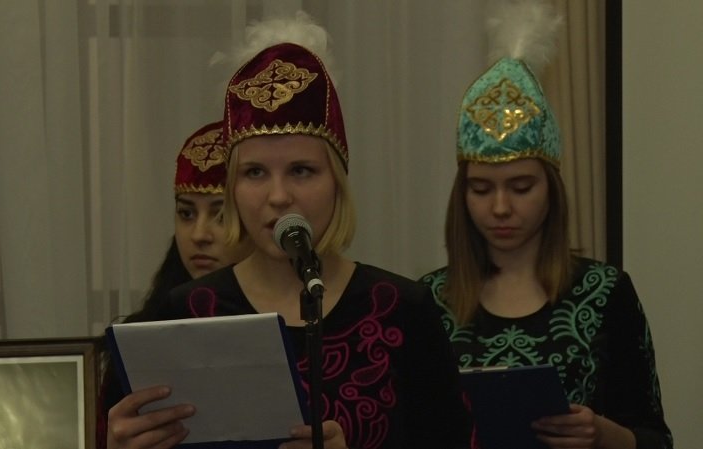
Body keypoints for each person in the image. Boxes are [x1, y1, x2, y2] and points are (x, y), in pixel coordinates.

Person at [104, 12, 470, 449]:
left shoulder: (402, 309)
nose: (278, 197)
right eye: (255, 172)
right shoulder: (183, 314)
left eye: (301, 170)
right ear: (232, 188)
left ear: (337, 183)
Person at [418, 2, 673, 448]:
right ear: (461, 196)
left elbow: (656, 439)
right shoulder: (429, 301)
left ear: (551, 189)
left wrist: (605, 435)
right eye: (481, 189)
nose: (500, 208)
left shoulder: (605, 294)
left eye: (520, 187)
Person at [97, 120, 253, 448]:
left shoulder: (302, 321)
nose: (199, 235)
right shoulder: (142, 338)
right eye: (186, 214)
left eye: (221, 216)